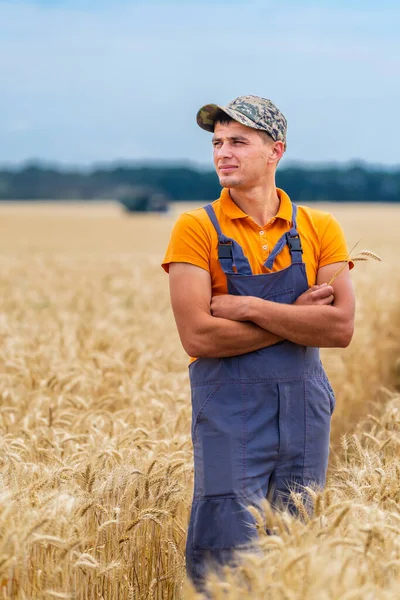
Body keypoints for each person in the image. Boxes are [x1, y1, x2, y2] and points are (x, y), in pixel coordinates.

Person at [161, 95, 355, 588]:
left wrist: (248, 308)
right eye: (217, 142)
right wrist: (296, 318)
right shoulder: (195, 228)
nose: (223, 152)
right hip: (229, 410)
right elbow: (199, 334)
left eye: (238, 142)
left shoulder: (318, 228)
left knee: (297, 544)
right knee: (224, 551)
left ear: (276, 152)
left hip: (304, 409)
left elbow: (339, 328)